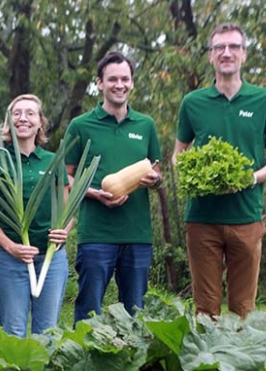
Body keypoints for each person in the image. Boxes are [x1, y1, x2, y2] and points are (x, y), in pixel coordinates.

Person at [173, 23, 266, 318]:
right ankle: (208, 364)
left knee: (243, 309)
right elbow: (178, 156)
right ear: (210, 56)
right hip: (202, 219)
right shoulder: (192, 103)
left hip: (246, 217)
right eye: (219, 48)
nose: (226, 53)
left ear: (244, 55)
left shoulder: (265, 100)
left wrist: (251, 177)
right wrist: (192, 174)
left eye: (233, 47)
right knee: (205, 309)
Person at [65, 52, 162, 321]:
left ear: (132, 83)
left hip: (137, 234)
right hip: (96, 234)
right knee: (89, 310)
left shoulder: (146, 125)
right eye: (112, 79)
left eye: (125, 79)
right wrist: (93, 193)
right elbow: (64, 177)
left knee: (135, 312)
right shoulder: (81, 125)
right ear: (100, 83)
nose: (119, 84)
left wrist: (154, 180)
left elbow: (158, 172)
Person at [0, 94, 70, 337]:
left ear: (40, 122)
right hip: (11, 261)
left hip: (51, 261)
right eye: (16, 113)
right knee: (13, 334)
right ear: (8, 124)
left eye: (30, 113)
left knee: (47, 334)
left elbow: (68, 210)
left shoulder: (54, 161)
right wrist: (11, 248)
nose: (23, 118)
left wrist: (65, 232)